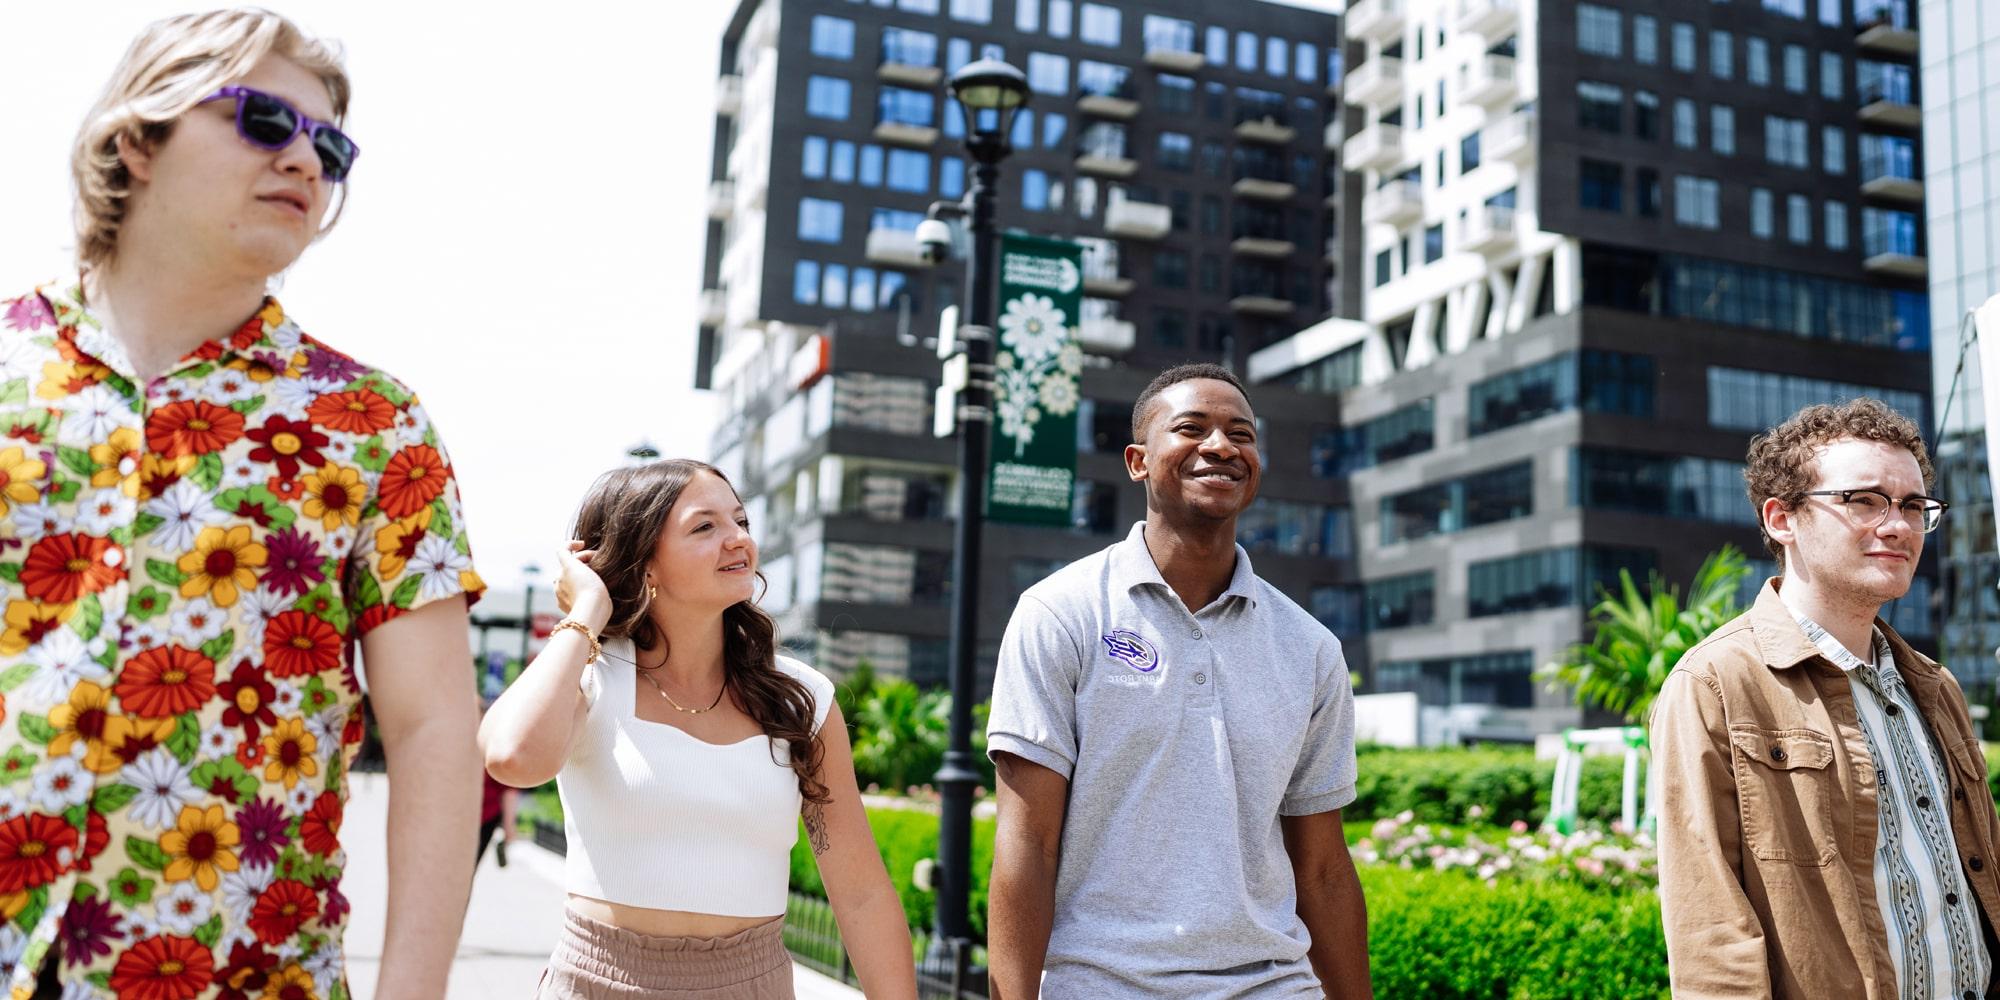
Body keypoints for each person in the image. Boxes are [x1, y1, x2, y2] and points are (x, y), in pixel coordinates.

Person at [0, 9, 486, 999]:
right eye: (265, 120)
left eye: (331, 144)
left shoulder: (373, 423)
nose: (305, 159)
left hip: (235, 975)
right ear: (137, 138)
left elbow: (436, 728)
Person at [984, 363, 1371, 998]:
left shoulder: (1311, 648)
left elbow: (1324, 869)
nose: (1221, 447)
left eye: (1241, 435)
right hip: (1102, 985)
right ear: (1137, 460)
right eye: (1192, 428)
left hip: (1272, 984)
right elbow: (1029, 841)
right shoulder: (1062, 612)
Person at [480, 460, 916, 999]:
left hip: (752, 986)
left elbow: (863, 895)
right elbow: (512, 756)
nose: (738, 540)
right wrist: (588, 610)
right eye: (705, 527)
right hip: (598, 982)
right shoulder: (589, 678)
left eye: (741, 521)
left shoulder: (800, 699)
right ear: (645, 564)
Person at [1654, 398, 2000, 999]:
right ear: (1781, 519)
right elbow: (1709, 931)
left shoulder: (1935, 686)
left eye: (1914, 506)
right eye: (1863, 501)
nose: (1898, 525)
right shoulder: (1715, 683)